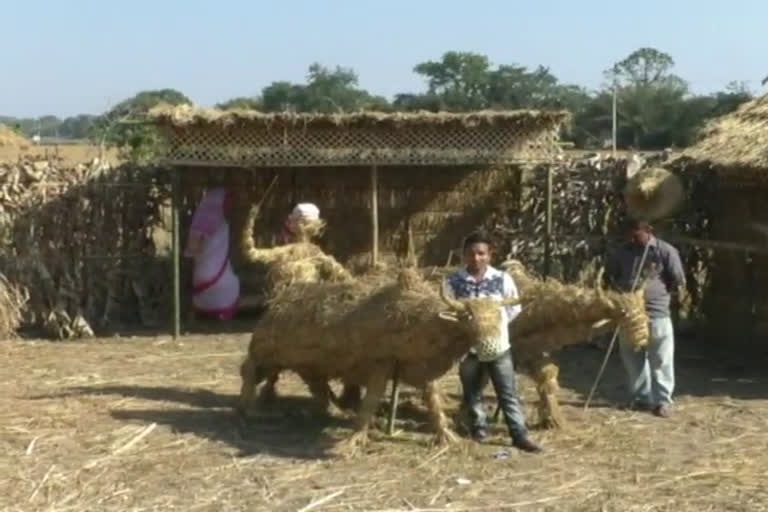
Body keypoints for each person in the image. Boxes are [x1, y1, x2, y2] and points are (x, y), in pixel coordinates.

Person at [444, 231, 542, 453]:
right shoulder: (453, 281)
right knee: (471, 390)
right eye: (470, 254)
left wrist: (493, 325)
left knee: (507, 391)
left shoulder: (502, 279)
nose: (476, 258)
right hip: (468, 347)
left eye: (481, 254)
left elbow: (514, 308)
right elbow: (448, 310)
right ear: (463, 255)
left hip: (499, 346)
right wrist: (470, 328)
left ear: (490, 255)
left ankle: (519, 435)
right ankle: (479, 427)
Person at [606, 218, 686, 418]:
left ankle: (663, 401)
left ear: (648, 231)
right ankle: (642, 398)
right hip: (630, 316)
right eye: (629, 234)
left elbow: (678, 279)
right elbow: (611, 277)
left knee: (661, 359)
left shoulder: (665, 251)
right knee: (633, 360)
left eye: (636, 234)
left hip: (657, 314)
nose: (632, 238)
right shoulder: (622, 252)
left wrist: (661, 297)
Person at [184, 187, 240, 321]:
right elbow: (194, 245)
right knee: (231, 284)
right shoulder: (213, 217)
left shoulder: (204, 217)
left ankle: (208, 312)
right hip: (212, 270)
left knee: (227, 281)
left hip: (203, 270)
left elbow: (192, 248)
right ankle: (221, 314)